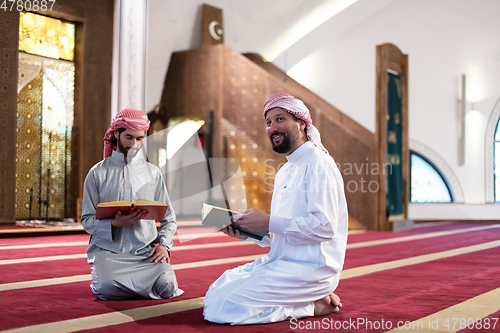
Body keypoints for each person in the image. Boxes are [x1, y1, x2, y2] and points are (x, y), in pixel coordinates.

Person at [203, 93, 348, 324]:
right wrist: (250, 232)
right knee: (217, 290)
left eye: (280, 119)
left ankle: (311, 305)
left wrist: (269, 221)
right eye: (269, 122)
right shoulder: (284, 172)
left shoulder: (318, 163)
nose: (272, 127)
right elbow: (284, 233)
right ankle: (305, 299)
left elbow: (325, 227)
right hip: (282, 262)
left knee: (223, 307)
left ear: (301, 123)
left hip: (312, 270)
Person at [81, 108, 183, 300]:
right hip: (109, 253)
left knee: (168, 286)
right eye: (129, 137)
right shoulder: (97, 173)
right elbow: (87, 220)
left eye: (140, 138)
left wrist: (164, 246)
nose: (135, 144)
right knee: (108, 287)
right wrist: (114, 223)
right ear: (116, 133)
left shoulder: (153, 173)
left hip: (146, 253)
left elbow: (169, 219)